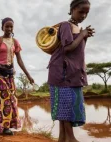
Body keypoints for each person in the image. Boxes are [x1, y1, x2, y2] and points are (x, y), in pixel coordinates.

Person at [47, 0, 95, 141]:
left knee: (68, 107)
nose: (84, 15)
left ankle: (63, 138)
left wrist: (84, 35)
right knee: (66, 107)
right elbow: (67, 47)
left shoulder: (77, 29)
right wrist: (83, 34)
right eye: (81, 11)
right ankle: (71, 139)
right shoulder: (65, 25)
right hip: (62, 74)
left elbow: (77, 53)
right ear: (73, 9)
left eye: (87, 13)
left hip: (72, 74)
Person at [0, 17, 34, 135]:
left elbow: (19, 60)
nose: (9, 29)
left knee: (12, 100)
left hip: (10, 75)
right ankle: (4, 128)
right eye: (7, 26)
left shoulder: (15, 42)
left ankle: (5, 126)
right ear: (2, 27)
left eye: (11, 27)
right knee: (4, 100)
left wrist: (28, 75)